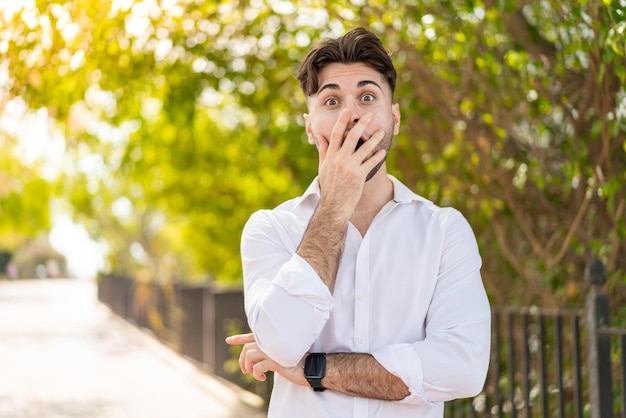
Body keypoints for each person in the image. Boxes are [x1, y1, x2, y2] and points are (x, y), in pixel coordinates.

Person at [226, 27, 491, 418]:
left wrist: (312, 369)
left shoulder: (444, 231)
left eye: (367, 97)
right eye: (331, 101)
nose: (350, 116)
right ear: (309, 124)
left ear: (394, 118)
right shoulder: (271, 229)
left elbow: (464, 369)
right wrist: (335, 203)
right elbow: (281, 342)